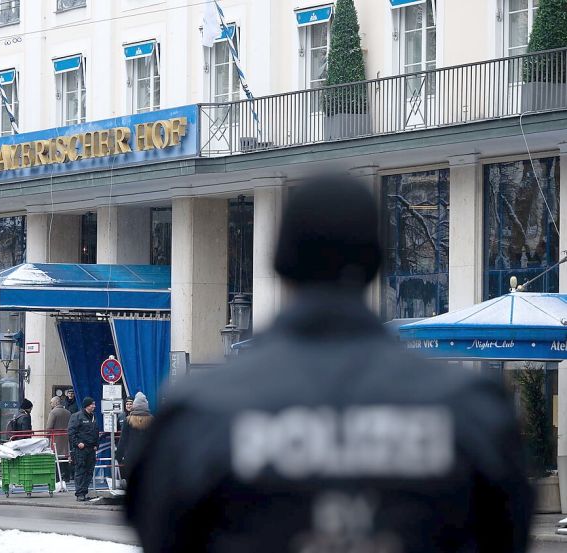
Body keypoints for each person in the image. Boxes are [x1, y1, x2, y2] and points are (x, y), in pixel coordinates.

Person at [126, 174, 533, 552]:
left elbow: (159, 530)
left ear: (281, 263)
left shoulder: (197, 415)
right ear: (376, 262)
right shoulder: (470, 411)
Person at [67, 397, 100, 502]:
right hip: (81, 449)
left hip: (91, 449)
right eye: (92, 404)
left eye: (94, 404)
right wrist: (77, 443)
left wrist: (96, 445)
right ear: (87, 405)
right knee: (80, 470)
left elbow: (96, 432)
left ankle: (85, 492)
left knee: (89, 471)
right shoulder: (76, 417)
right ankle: (80, 493)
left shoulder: (93, 417)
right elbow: (71, 432)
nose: (94, 406)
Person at [115, 392, 152, 479]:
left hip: (131, 456)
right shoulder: (152, 419)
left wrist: (119, 456)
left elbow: (123, 439)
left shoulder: (128, 420)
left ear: (135, 405)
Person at [46, 396, 72, 482]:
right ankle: (67, 476)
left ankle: (57, 477)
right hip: (66, 437)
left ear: (56, 402)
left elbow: (49, 427)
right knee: (65, 456)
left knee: (56, 457)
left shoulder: (53, 413)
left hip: (56, 438)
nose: (50, 404)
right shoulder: (68, 412)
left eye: (51, 402)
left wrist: (47, 437)